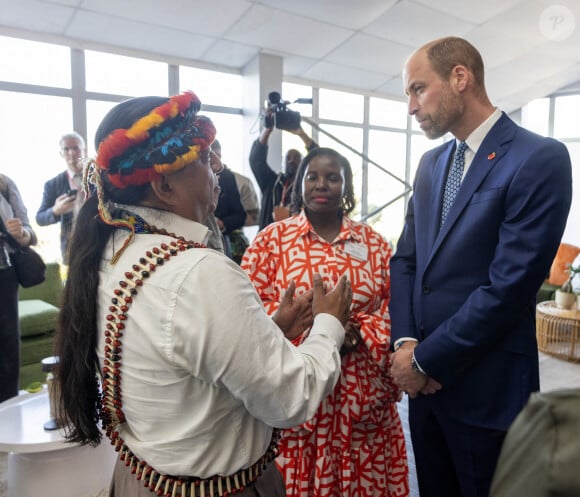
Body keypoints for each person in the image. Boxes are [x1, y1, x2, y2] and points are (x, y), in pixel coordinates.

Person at [55, 90, 353, 497]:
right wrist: (329, 323)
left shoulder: (108, 252)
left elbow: (182, 355)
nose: (218, 167)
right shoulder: (198, 273)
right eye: (204, 158)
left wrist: (269, 329)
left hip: (140, 480)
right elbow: (292, 397)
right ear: (163, 184)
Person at [389, 36, 572, 497]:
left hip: (487, 390)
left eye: (417, 89)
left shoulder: (537, 157)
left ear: (459, 77)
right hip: (425, 391)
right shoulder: (431, 165)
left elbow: (509, 287)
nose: (411, 107)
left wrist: (425, 359)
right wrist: (407, 341)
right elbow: (407, 261)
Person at [242, 147, 409, 497]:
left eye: (333, 177)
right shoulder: (272, 241)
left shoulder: (374, 244)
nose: (322, 184)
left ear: (345, 187)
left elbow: (397, 306)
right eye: (312, 176)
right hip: (298, 400)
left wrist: (356, 331)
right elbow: (248, 309)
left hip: (361, 403)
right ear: (299, 184)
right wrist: (319, 329)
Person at [0, 174, 38, 402]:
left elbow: (30, 234)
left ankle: (6, 420)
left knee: (7, 350)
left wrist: (21, 233)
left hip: (4, 275)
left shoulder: (4, 184)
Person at [249, 113, 318, 230]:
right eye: (288, 158)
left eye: (297, 158)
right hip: (269, 239)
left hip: (297, 239)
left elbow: (318, 157)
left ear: (304, 164)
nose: (292, 161)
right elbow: (256, 160)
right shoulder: (271, 182)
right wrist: (268, 129)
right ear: (282, 163)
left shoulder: (307, 186)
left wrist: (301, 133)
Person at [36, 132, 87, 263]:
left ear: (84, 150)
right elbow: (40, 218)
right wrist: (55, 211)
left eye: (76, 148)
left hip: (103, 241)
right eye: (66, 149)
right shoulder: (53, 184)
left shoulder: (99, 176)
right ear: (61, 153)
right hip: (72, 247)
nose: (71, 152)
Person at [209, 138, 246, 259]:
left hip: (221, 239)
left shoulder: (227, 176)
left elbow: (240, 216)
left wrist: (222, 223)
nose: (217, 165)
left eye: (218, 157)